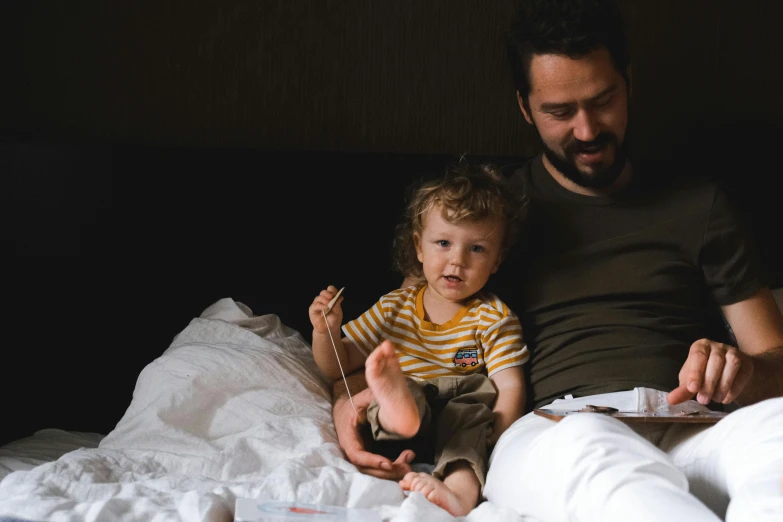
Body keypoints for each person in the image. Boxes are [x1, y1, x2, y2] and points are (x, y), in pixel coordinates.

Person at [331, 0, 783, 520]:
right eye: (559, 112)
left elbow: (775, 360)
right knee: (599, 450)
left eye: (603, 100)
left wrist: (743, 371)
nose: (588, 130)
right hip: (557, 428)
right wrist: (351, 401)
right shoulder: (485, 218)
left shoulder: (701, 205)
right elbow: (410, 325)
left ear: (628, 82)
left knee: (775, 435)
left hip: (689, 423)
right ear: (525, 107)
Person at [308, 162, 529, 516]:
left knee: (472, 415)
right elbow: (337, 365)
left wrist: (498, 435)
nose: (457, 261)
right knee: (399, 389)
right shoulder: (396, 307)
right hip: (406, 404)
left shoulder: (494, 317)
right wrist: (327, 331)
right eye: (443, 243)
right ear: (419, 247)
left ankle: (457, 493)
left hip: (457, 412)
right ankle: (400, 410)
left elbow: (509, 385)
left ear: (497, 260)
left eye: (476, 250)